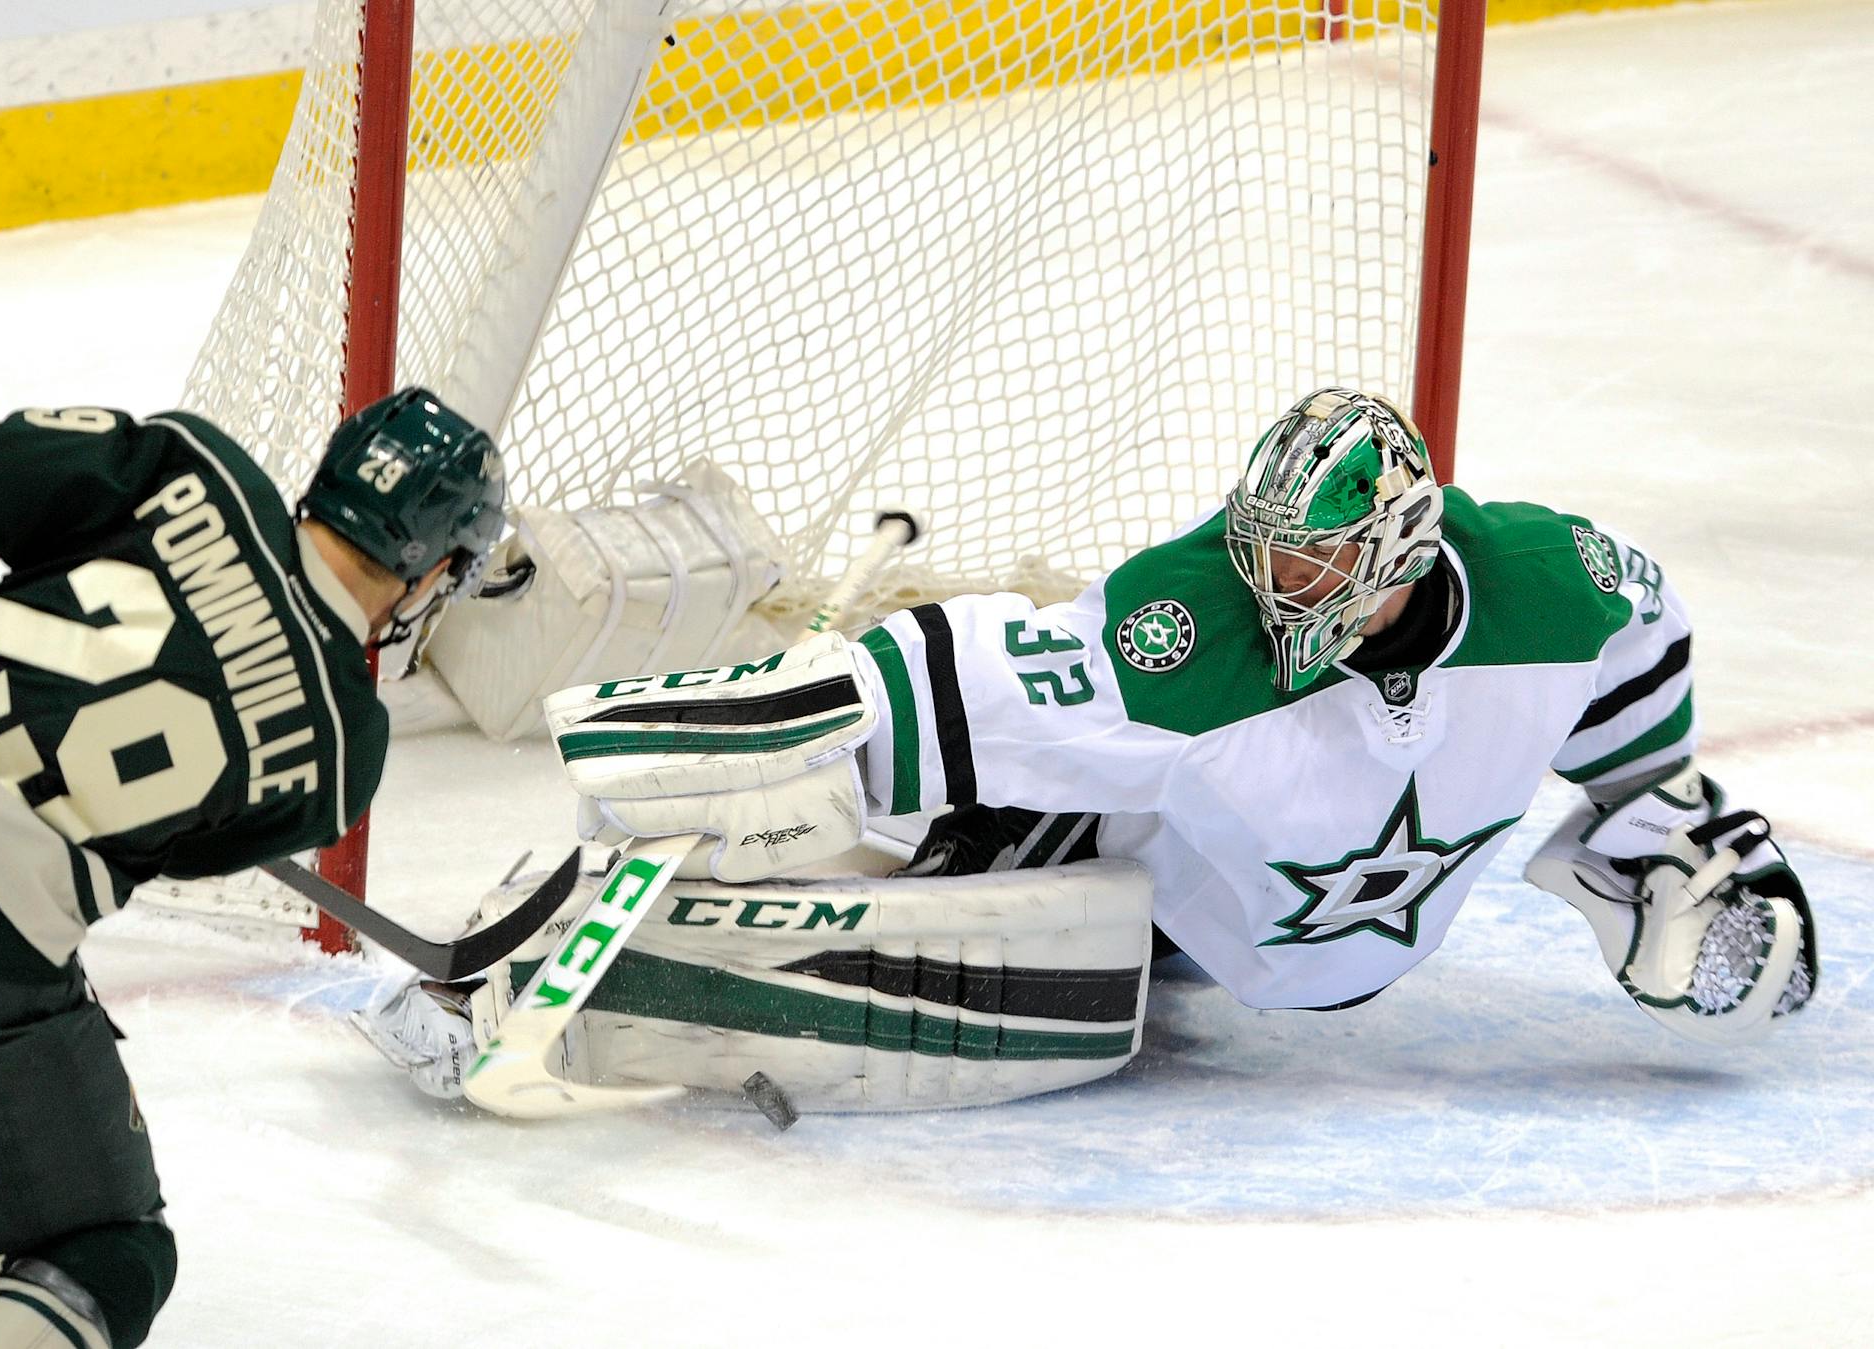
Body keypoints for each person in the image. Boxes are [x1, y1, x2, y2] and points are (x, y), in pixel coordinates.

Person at [362, 386, 1814, 1114]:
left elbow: (1635, 695)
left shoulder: (1571, 587)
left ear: (1396, 563)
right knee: (899, 828)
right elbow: (904, 685)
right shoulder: (1178, 640)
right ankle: (558, 959)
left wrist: (1673, 834)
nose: (1271, 592)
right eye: (1265, 557)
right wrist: (650, 742)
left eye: (1309, 573)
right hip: (1168, 903)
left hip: (1304, 946)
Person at [0, 387, 504, 1346]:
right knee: (111, 1248)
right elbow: (158, 846)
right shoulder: (343, 750)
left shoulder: (195, 465)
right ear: (430, 565)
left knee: (0, 1126)